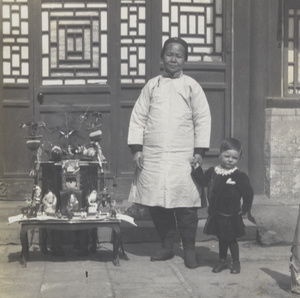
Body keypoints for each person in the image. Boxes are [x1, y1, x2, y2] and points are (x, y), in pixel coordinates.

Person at [127, 37, 211, 269]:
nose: (173, 59)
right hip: (153, 155)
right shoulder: (152, 86)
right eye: (169, 54)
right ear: (162, 57)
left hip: (183, 155)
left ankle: (190, 249)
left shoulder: (192, 86)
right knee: (157, 202)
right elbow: (138, 118)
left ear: (185, 59)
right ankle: (166, 245)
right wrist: (137, 150)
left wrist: (199, 152)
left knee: (185, 203)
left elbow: (202, 119)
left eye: (178, 55)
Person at [198, 138, 253, 274]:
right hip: (216, 213)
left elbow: (248, 194)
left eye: (234, 158)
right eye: (227, 156)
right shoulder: (213, 172)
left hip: (231, 214)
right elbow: (202, 181)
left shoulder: (239, 176)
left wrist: (245, 209)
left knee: (230, 238)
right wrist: (195, 168)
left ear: (239, 158)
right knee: (221, 238)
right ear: (219, 155)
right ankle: (222, 260)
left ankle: (236, 262)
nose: (230, 160)